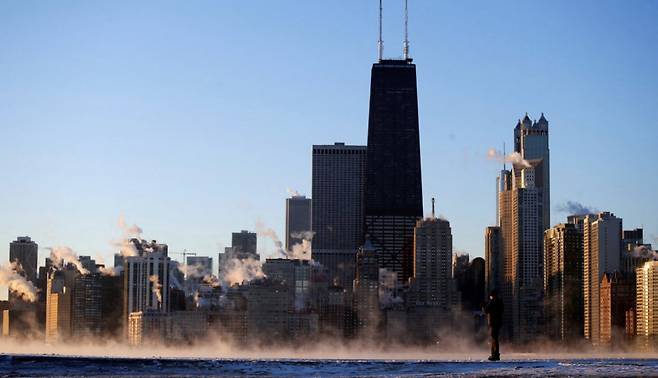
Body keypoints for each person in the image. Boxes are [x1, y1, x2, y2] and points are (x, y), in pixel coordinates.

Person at [483, 289, 503, 361]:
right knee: (495, 339)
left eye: (491, 296)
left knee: (494, 339)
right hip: (498, 322)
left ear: (492, 296)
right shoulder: (500, 302)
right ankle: (495, 355)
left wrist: (485, 305)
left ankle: (494, 355)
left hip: (494, 323)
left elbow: (486, 310)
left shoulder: (492, 302)